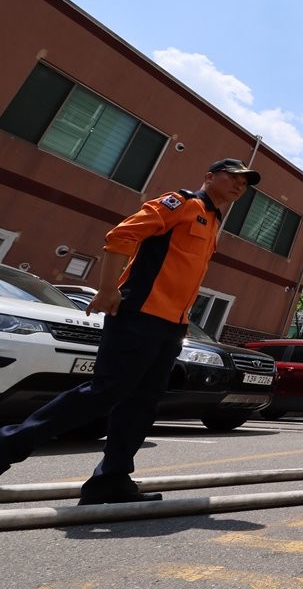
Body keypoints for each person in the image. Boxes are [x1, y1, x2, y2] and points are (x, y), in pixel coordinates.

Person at [0, 158, 259, 503]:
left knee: (142, 403)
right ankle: (7, 445)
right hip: (139, 314)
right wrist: (108, 290)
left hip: (172, 324)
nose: (240, 186)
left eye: (245, 182)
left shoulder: (213, 220)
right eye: (233, 177)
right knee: (105, 391)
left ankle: (111, 479)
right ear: (209, 176)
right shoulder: (180, 204)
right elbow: (121, 235)